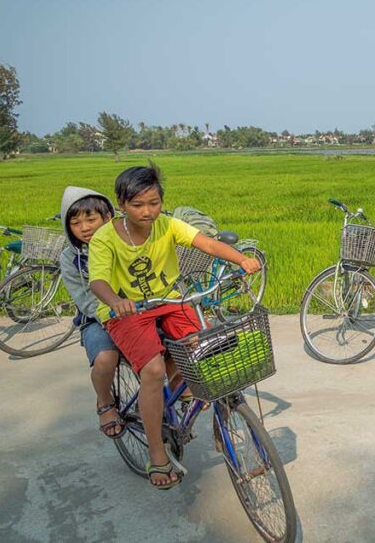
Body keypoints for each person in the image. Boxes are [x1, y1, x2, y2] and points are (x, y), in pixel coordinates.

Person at [89, 163, 260, 490]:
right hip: (126, 310)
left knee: (207, 348)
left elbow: (207, 244)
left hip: (168, 299)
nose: (147, 211)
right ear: (121, 204)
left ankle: (220, 416)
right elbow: (97, 279)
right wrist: (114, 300)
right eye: (137, 204)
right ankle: (156, 451)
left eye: (153, 202)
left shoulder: (167, 225)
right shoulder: (105, 237)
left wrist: (241, 259)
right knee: (152, 370)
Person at [58, 186, 124, 438]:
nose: (84, 227)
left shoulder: (124, 242)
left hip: (137, 311)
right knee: (106, 358)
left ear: (108, 217)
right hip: (96, 318)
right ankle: (105, 401)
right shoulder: (70, 258)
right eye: (75, 222)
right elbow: (85, 300)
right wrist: (115, 313)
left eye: (90, 219)